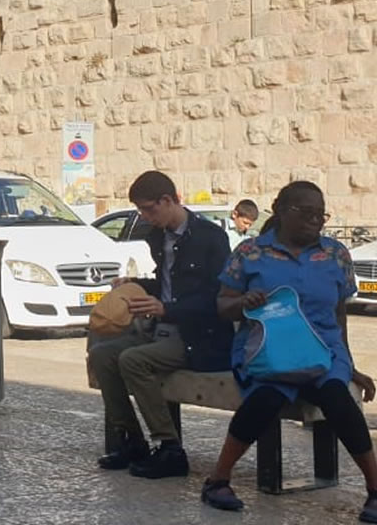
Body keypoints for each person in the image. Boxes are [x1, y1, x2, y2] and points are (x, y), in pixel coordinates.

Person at [201, 181, 377, 518]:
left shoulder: (335, 254)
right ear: (281, 211)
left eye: (320, 215)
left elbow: (338, 313)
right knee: (266, 399)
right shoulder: (251, 252)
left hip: (324, 352)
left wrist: (348, 363)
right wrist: (242, 302)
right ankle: (218, 480)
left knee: (339, 399)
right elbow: (223, 306)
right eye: (306, 213)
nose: (315, 221)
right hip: (269, 350)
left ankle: (375, 490)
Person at [87, 170, 232, 480]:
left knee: (133, 360)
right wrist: (135, 284)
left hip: (198, 337)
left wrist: (168, 309)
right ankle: (132, 441)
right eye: (140, 210)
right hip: (161, 331)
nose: (145, 216)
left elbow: (217, 298)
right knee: (102, 355)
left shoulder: (210, 237)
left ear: (168, 200)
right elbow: (167, 283)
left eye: (149, 209)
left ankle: (169, 447)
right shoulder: (157, 237)